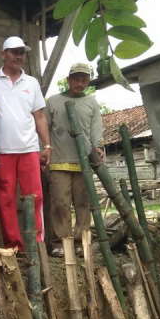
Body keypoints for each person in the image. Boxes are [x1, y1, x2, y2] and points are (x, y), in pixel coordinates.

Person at [0, 36, 50, 251]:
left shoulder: (31, 83)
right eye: (14, 52)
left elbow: (39, 116)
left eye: (21, 52)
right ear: (3, 54)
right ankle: (14, 245)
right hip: (2, 150)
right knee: (6, 199)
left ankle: (38, 243)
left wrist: (47, 146)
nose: (18, 56)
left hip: (29, 149)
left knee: (36, 197)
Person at [45, 62, 103, 256]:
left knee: (82, 202)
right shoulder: (53, 101)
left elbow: (96, 131)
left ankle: (81, 242)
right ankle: (60, 242)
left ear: (88, 82)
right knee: (60, 202)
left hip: (83, 161)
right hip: (59, 160)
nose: (80, 82)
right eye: (76, 79)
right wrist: (44, 150)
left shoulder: (91, 103)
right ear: (68, 80)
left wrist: (98, 148)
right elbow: (44, 129)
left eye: (84, 79)